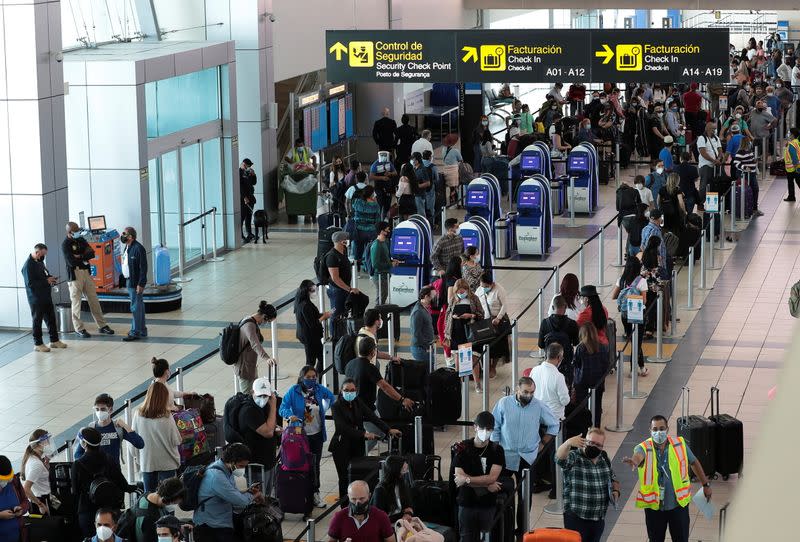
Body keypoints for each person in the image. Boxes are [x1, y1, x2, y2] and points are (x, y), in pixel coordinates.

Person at [622, 415, 713, 542]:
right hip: (655, 509)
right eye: (655, 429)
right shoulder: (643, 447)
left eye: (661, 428)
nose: (658, 432)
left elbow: (694, 462)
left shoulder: (679, 444)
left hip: (678, 506)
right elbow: (638, 456)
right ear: (650, 430)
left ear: (667, 429)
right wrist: (634, 461)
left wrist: (705, 485)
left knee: (681, 539)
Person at [492, 377, 559, 533]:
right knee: (504, 495)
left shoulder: (539, 405)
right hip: (506, 457)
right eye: (525, 392)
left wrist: (542, 444)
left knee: (525, 498)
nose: (529, 395)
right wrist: (496, 449)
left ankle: (522, 530)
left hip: (528, 458)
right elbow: (495, 426)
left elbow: (554, 425)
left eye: (532, 392)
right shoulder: (504, 403)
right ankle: (505, 528)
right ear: (517, 389)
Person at [329, 379, 399, 502]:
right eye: (346, 390)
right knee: (345, 478)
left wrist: (388, 430)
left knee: (357, 474)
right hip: (341, 447)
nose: (349, 393)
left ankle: (358, 502)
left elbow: (372, 417)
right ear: (341, 391)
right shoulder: (336, 406)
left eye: (352, 390)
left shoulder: (357, 402)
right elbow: (342, 428)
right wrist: (364, 434)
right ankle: (345, 505)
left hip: (357, 445)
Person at [280, 366, 335, 508]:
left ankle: (315, 493)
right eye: (308, 377)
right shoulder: (294, 391)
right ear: (302, 377)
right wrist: (290, 415)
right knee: (300, 465)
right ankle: (301, 493)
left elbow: (331, 397)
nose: (311, 379)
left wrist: (325, 407)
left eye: (314, 376)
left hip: (316, 434)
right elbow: (282, 408)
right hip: (300, 436)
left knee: (315, 465)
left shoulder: (319, 389)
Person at [556, 429, 620, 542]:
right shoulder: (574, 457)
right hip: (576, 517)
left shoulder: (604, 458)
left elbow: (613, 478)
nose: (594, 446)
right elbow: (559, 459)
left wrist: (616, 491)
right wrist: (568, 443)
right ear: (585, 441)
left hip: (598, 518)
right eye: (591, 443)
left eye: (598, 445)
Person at [193, 443, 263, 542]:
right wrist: (256, 495)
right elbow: (240, 501)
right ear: (231, 461)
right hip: (210, 526)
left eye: (244, 466)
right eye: (240, 466)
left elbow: (232, 492)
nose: (242, 469)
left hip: (220, 520)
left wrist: (248, 491)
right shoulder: (217, 476)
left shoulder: (225, 470)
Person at [452, 411, 505, 542]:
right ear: (475, 427)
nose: (485, 432)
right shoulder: (462, 447)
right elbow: (459, 477)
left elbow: (492, 478)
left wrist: (468, 479)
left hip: (487, 505)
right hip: (466, 503)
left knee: (488, 538)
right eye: (482, 428)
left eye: (489, 429)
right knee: (466, 538)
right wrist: (487, 485)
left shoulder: (497, 450)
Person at [72, 427, 133, 536]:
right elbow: (122, 484)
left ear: (84, 444)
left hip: (87, 511)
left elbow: (75, 491)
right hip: (109, 510)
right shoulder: (109, 459)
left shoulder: (78, 464)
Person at [344, 338, 414, 432]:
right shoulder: (370, 368)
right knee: (379, 433)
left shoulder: (350, 364)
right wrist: (402, 399)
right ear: (373, 352)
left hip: (350, 406)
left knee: (363, 433)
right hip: (365, 409)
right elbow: (385, 387)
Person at [62, 222, 114, 338]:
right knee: (76, 303)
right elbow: (71, 261)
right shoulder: (65, 244)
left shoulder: (81, 239)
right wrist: (83, 256)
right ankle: (79, 328)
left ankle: (102, 325)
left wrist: (79, 256)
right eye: (75, 231)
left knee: (94, 300)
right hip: (75, 275)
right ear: (70, 232)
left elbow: (91, 253)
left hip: (86, 272)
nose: (78, 233)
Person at [74, 393, 144, 473]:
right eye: (97, 409)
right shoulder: (91, 429)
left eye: (103, 409)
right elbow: (78, 454)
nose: (99, 412)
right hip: (96, 475)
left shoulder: (118, 428)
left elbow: (140, 444)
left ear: (110, 410)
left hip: (114, 473)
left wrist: (125, 426)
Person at [132, 382, 181, 492]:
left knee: (149, 496)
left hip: (147, 461)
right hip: (167, 462)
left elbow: (133, 438)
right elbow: (176, 440)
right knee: (168, 497)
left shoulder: (138, 414)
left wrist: (136, 456)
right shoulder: (167, 417)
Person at [233, 378, 279, 496]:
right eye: (260, 395)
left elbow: (270, 426)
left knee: (267, 495)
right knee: (258, 498)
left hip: (268, 462)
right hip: (255, 465)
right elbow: (268, 432)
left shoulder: (264, 407)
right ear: (252, 392)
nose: (263, 399)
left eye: (266, 395)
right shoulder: (249, 410)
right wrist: (273, 406)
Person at [21, 243, 66, 352]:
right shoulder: (28, 266)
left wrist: (50, 278)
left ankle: (54, 340)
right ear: (37, 252)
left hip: (46, 295)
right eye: (42, 255)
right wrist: (46, 281)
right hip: (36, 298)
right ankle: (38, 343)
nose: (43, 257)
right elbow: (30, 284)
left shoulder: (39, 262)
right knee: (37, 320)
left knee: (51, 318)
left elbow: (43, 276)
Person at [443, 279, 485, 392]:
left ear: (467, 289)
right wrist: (448, 330)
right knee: (457, 359)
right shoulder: (453, 300)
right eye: (459, 292)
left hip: (471, 332)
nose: (461, 294)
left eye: (463, 291)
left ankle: (477, 384)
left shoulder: (474, 299)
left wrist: (471, 315)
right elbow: (447, 315)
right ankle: (459, 383)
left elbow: (481, 314)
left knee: (473, 358)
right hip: (457, 332)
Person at [612, 258, 648, 377]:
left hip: (624, 315)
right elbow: (644, 300)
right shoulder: (641, 281)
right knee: (636, 342)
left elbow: (614, 296)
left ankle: (642, 368)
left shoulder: (621, 280)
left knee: (633, 341)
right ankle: (633, 370)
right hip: (637, 314)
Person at [327, 480, 395, 542]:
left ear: (369, 496)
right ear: (348, 497)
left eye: (362, 498)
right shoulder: (339, 517)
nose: (357, 503)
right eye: (353, 499)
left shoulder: (381, 517)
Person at [573, 324, 612, 427]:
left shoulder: (580, 348)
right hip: (598, 383)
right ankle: (596, 427)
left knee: (582, 407)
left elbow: (576, 364)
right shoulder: (603, 347)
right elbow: (606, 365)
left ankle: (584, 428)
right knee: (597, 406)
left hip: (582, 384)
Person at [233, 301, 277, 393]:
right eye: (268, 321)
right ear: (264, 316)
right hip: (244, 368)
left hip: (250, 366)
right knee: (247, 397)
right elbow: (255, 344)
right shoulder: (249, 325)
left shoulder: (250, 320)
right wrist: (266, 358)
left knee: (254, 394)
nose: (266, 323)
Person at [539, 295, 580, 385]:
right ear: (565, 307)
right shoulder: (572, 324)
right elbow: (576, 342)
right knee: (566, 385)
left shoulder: (545, 323)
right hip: (566, 362)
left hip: (549, 361)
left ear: (553, 307)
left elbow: (541, 344)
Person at [132, 477, 186, 542]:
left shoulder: (147, 496)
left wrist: (178, 526)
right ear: (166, 499)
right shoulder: (149, 517)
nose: (174, 506)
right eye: (174, 503)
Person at [476, 273, 510, 375]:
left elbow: (504, 305)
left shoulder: (499, 290)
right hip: (484, 321)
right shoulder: (480, 289)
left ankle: (493, 367)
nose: (484, 288)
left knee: (497, 346)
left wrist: (498, 318)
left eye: (486, 286)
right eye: (482, 286)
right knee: (485, 344)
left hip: (496, 322)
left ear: (492, 284)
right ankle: (485, 365)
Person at [294, 280, 330, 373]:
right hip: (309, 337)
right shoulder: (305, 305)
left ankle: (315, 378)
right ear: (307, 291)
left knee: (321, 358)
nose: (315, 293)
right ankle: (308, 379)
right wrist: (323, 317)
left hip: (309, 336)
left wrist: (323, 314)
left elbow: (312, 316)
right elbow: (313, 323)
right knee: (311, 362)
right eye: (313, 290)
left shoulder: (301, 302)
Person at [120, 227, 148, 342]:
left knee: (135, 307)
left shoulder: (138, 248)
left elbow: (143, 268)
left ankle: (135, 331)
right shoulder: (127, 247)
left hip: (135, 282)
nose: (122, 235)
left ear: (130, 236)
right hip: (128, 280)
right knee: (139, 306)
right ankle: (141, 330)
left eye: (124, 234)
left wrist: (141, 284)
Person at [530, 344, 570, 421]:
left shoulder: (534, 370)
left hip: (536, 415)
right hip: (554, 417)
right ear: (559, 357)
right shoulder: (558, 376)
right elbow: (565, 401)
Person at [327, 231, 359, 320]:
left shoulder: (343, 253)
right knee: (336, 315)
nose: (348, 241)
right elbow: (335, 278)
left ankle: (341, 333)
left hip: (343, 289)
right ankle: (334, 334)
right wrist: (349, 289)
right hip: (336, 290)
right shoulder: (332, 256)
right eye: (346, 239)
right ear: (341, 241)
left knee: (343, 313)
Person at [370, 456, 414, 521]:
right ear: (395, 470)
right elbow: (378, 517)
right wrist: (401, 516)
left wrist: (408, 514)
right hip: (387, 524)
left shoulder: (401, 483)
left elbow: (408, 505)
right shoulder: (380, 490)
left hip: (401, 521)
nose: (405, 473)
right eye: (402, 470)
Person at [21, 429, 52, 515]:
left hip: (39, 498)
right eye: (46, 441)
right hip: (41, 501)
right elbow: (26, 489)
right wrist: (40, 505)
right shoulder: (36, 464)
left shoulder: (33, 457)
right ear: (37, 445)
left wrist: (46, 465)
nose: (49, 444)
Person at [733, 137, 763, 216]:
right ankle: (747, 208)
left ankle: (754, 208)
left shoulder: (749, 151)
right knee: (748, 190)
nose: (750, 143)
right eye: (749, 142)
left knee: (755, 189)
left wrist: (754, 160)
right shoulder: (740, 152)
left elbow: (750, 160)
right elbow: (736, 163)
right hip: (745, 175)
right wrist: (744, 167)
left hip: (752, 174)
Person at [0, 455, 27, 542]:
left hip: (18, 536)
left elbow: (25, 501)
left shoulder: (14, 481)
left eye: (7, 479)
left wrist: (21, 509)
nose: (6, 482)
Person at [352, 185, 381, 264]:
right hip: (371, 231)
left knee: (358, 248)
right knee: (370, 249)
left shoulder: (357, 202)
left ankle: (356, 266)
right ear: (372, 194)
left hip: (358, 230)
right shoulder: (375, 205)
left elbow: (353, 209)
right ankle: (368, 265)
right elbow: (378, 220)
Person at [369, 222, 397, 306]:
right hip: (379, 276)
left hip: (385, 275)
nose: (389, 231)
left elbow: (385, 257)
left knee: (383, 296)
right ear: (382, 231)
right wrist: (390, 264)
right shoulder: (376, 245)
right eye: (387, 229)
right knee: (381, 298)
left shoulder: (385, 242)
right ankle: (376, 316)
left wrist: (392, 261)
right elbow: (376, 264)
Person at [696, 121, 723, 198]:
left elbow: (720, 150)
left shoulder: (716, 138)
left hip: (716, 165)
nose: (715, 130)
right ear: (707, 129)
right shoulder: (702, 138)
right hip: (706, 165)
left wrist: (719, 158)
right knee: (703, 185)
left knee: (714, 185)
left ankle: (712, 204)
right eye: (713, 129)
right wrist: (714, 161)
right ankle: (701, 202)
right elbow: (703, 153)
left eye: (715, 129)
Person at [409, 286, 435, 364]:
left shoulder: (424, 308)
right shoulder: (418, 312)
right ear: (426, 297)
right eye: (433, 296)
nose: (435, 299)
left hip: (426, 347)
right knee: (427, 371)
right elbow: (416, 333)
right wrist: (426, 347)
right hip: (421, 349)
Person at [369, 151, 398, 218]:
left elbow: (395, 172)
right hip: (378, 187)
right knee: (380, 204)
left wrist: (390, 173)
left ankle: (385, 219)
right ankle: (379, 220)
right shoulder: (375, 164)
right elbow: (371, 176)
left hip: (388, 187)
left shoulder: (389, 163)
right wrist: (382, 178)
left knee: (387, 205)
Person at [640, 209, 668, 273]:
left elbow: (642, 246)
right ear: (658, 219)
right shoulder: (655, 231)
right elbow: (654, 247)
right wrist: (657, 257)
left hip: (648, 262)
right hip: (656, 264)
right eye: (661, 217)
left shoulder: (645, 229)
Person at [411, 152, 432, 220]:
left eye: (413, 159)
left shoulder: (422, 169)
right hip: (415, 194)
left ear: (417, 160)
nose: (412, 161)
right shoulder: (414, 168)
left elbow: (428, 183)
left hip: (420, 195)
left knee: (421, 213)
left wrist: (418, 186)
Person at [239, 158, 256, 242]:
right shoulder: (239, 172)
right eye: (248, 165)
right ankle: (241, 235)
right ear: (243, 164)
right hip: (243, 199)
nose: (249, 167)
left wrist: (253, 175)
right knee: (242, 217)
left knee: (249, 216)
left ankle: (249, 233)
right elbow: (240, 187)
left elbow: (254, 183)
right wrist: (244, 197)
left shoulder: (248, 172)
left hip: (250, 197)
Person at [784, 127, 800, 202]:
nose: (788, 134)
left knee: (794, 183)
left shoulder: (792, 145)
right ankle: (791, 197)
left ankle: (791, 197)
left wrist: (796, 166)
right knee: (792, 183)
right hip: (794, 167)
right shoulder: (796, 142)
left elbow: (794, 157)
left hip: (793, 168)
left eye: (789, 133)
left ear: (792, 135)